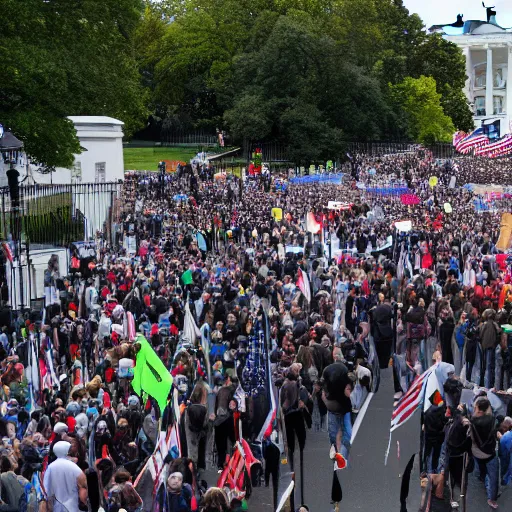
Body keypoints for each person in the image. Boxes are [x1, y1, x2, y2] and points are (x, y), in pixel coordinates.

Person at [469, 396, 499, 509]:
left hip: (477, 452)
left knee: (481, 468)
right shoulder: (492, 420)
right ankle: (492, 499)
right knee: (493, 476)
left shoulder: (472, 422)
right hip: (490, 453)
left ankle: (482, 477)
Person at [43, 440, 88, 512]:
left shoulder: (50, 467)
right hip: (73, 506)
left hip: (56, 507)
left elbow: (46, 490)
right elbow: (83, 485)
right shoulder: (73, 467)